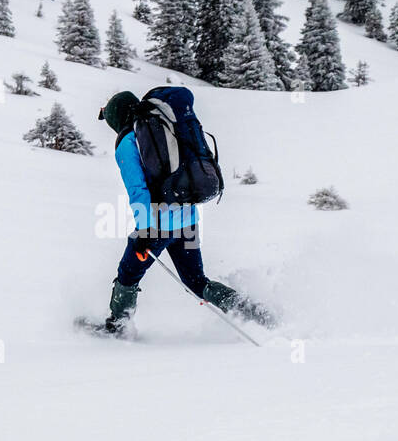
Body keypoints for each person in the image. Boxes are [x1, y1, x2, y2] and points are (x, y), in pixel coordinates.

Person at [98, 90, 273, 335]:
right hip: (188, 220)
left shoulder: (128, 142)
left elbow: (138, 191)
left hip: (158, 225)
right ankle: (255, 313)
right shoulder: (163, 126)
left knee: (128, 274)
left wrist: (145, 231)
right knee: (197, 281)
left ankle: (117, 327)